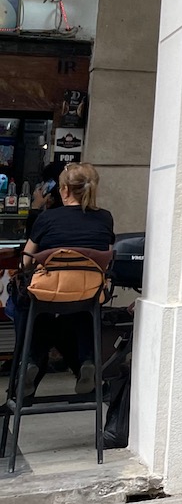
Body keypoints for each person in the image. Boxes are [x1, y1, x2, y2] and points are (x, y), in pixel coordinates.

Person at [14, 162, 114, 398]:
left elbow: (26, 262)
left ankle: (29, 361)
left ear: (65, 190)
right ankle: (87, 360)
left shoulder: (48, 218)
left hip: (47, 295)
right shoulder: (104, 218)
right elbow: (106, 261)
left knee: (28, 304)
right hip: (87, 295)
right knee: (80, 308)